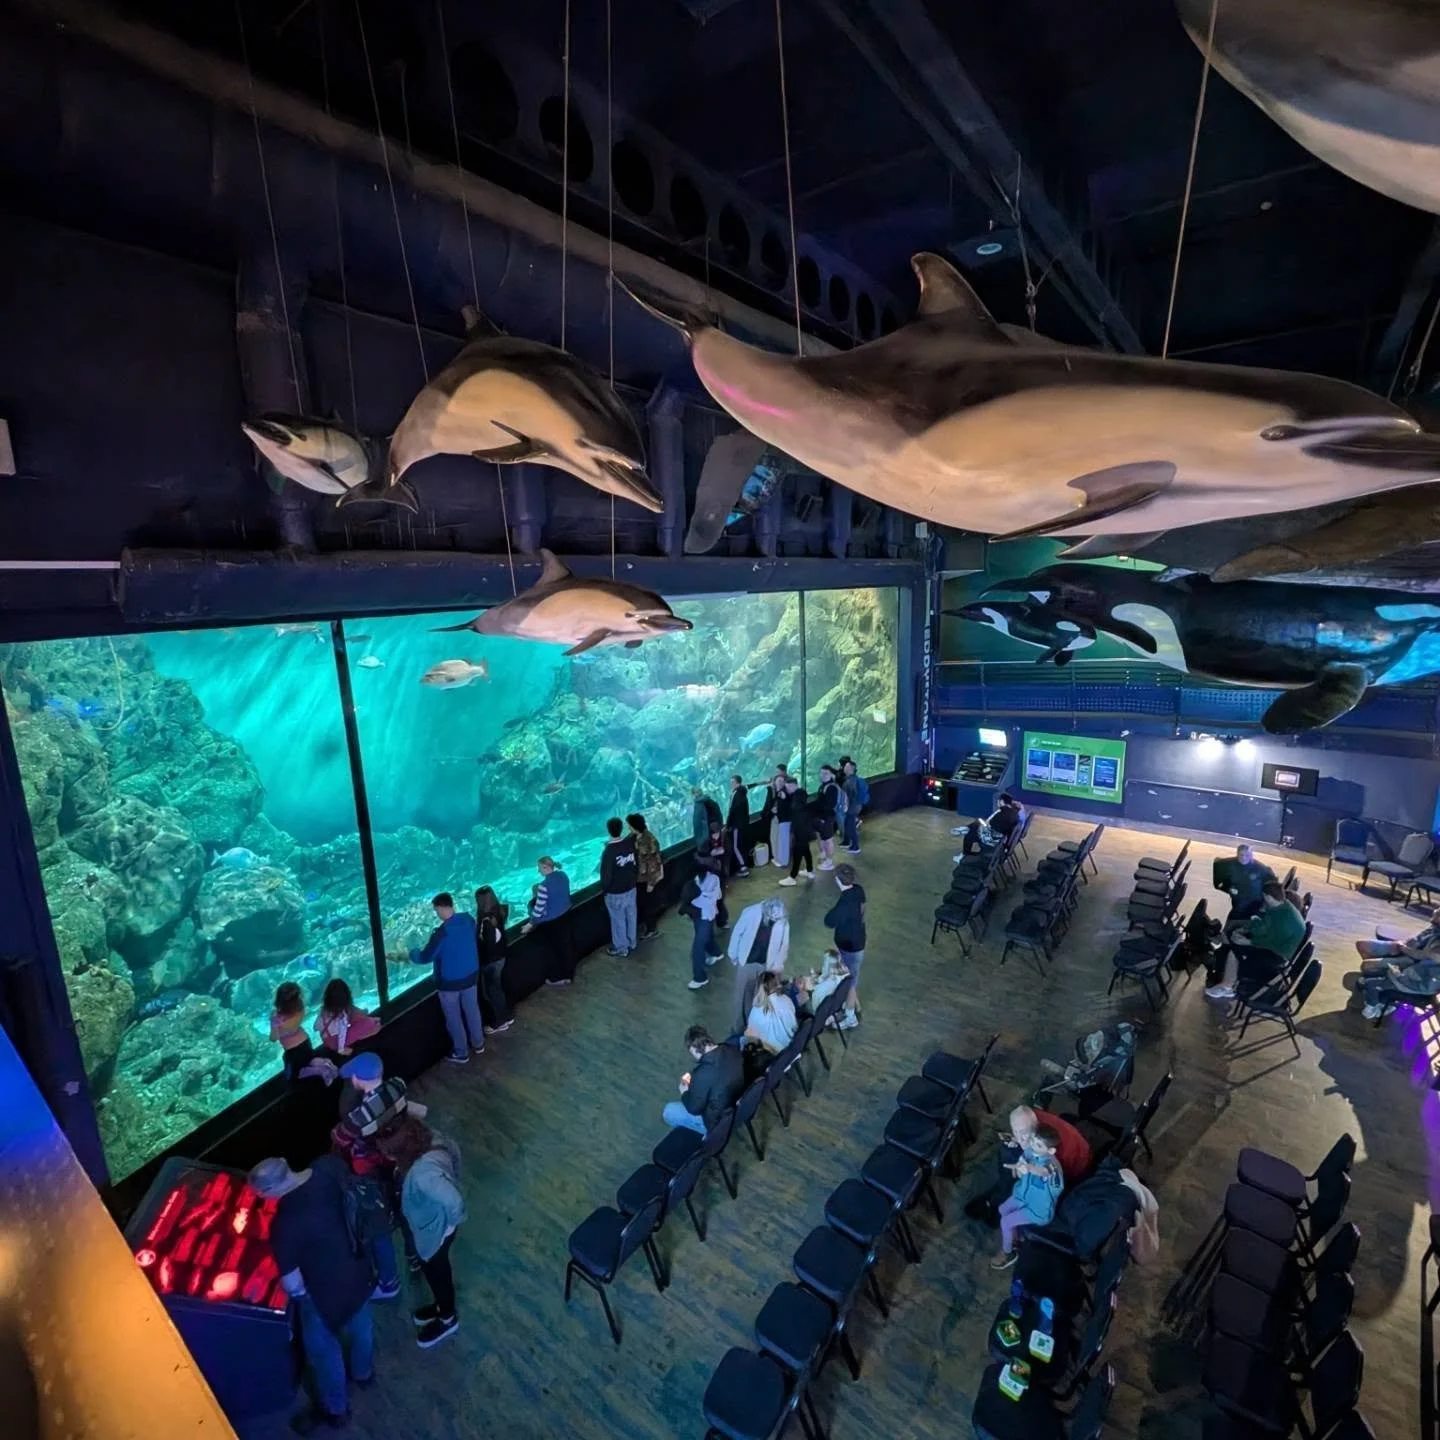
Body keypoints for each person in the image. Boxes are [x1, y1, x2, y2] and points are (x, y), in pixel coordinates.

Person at [249, 1155, 375, 1432]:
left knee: (324, 1353)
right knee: (362, 1327)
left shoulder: (284, 1225)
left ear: (269, 1191)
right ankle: (364, 1373)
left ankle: (335, 1409)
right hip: (360, 1271)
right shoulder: (326, 1168)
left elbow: (293, 1284)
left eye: (259, 1194)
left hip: (325, 1295)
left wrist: (301, 1298)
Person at [375, 1114, 466, 1349]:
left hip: (436, 1233)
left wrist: (449, 1225)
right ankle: (441, 1306)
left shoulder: (423, 1175)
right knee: (434, 1270)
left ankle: (448, 1318)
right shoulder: (431, 1139)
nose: (387, 1157)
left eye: (389, 1153)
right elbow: (454, 1153)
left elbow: (455, 1201)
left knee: (438, 1272)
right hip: (434, 1226)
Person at [966, 1104, 1091, 1225]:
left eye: (1023, 1132)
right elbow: (1024, 1140)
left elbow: (1049, 1171)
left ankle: (1001, 1199)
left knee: (1022, 1172)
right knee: (1008, 1152)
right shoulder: (1028, 1119)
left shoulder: (1052, 1147)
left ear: (1036, 1128)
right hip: (1052, 1149)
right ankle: (1000, 1193)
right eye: (1016, 1132)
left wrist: (1027, 1167)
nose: (1019, 1138)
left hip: (1073, 1166)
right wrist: (1016, 1140)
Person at [409, 893, 483, 1064]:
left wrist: (412, 953)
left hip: (449, 984)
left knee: (454, 1018)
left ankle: (461, 1053)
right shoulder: (468, 920)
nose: (437, 914)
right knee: (473, 1011)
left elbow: (425, 957)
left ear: (441, 908)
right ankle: (479, 1044)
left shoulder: (441, 934)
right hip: (471, 976)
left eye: (436, 911)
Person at [1205, 880, 1307, 1001]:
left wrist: (1247, 942)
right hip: (1275, 945)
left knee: (1236, 950)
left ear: (1268, 897)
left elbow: (1269, 942)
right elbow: (1265, 925)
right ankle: (1226, 978)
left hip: (1277, 955)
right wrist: (1245, 930)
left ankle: (1227, 986)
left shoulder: (1285, 919)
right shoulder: (1282, 906)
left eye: (1264, 897)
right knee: (1236, 940)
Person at [991, 1124, 1064, 1270]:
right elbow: (1020, 1170)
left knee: (1005, 1222)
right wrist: (1019, 1169)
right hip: (1022, 1196)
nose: (1033, 1146)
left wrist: (1029, 1168)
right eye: (1033, 1141)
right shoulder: (1030, 1151)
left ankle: (1008, 1252)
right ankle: (1015, 1239)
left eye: (1039, 1145)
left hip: (1037, 1210)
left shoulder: (1053, 1165)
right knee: (1002, 1209)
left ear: (1050, 1151)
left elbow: (1043, 1171)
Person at [663, 1025, 745, 1135]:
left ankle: (702, 1137)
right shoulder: (732, 1049)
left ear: (694, 1050)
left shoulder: (702, 1074)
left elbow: (694, 1108)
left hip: (717, 1123)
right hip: (735, 1108)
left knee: (669, 1111)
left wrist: (684, 1093)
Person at [728, 896, 791, 1032]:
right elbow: (737, 933)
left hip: (766, 965)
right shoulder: (750, 912)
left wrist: (777, 966)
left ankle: (752, 1027)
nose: (775, 921)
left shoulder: (782, 920)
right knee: (740, 996)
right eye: (772, 919)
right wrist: (733, 955)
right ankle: (737, 1029)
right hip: (747, 963)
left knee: (759, 998)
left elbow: (784, 945)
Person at [823, 863, 866, 1021]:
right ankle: (856, 1007)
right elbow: (863, 907)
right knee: (851, 975)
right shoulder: (858, 890)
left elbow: (829, 921)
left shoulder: (844, 903)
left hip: (849, 946)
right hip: (859, 940)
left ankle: (850, 1016)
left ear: (837, 880)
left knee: (849, 982)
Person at [523, 856, 573, 987]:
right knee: (565, 947)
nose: (538, 871)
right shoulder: (563, 875)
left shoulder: (544, 886)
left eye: (539, 868)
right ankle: (569, 974)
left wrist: (530, 924)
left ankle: (557, 978)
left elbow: (539, 910)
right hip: (566, 915)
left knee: (553, 951)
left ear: (545, 867)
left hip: (552, 923)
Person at [474, 886, 514, 1034]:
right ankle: (507, 1016)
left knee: (492, 992)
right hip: (501, 956)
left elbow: (488, 944)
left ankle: (499, 1022)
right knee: (498, 989)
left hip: (491, 962)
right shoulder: (500, 911)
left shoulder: (486, 921)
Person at [1359, 947, 1440, 1020]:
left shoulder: (1437, 977)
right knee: (1369, 977)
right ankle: (1383, 1002)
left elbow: (1417, 986)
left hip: (1406, 986)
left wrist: (1399, 975)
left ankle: (1371, 1008)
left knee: (1371, 984)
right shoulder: (1435, 962)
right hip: (1404, 976)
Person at [600, 816, 639, 957]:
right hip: (631, 888)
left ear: (608, 830)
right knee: (631, 916)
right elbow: (635, 865)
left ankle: (622, 948)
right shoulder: (629, 845)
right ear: (622, 829)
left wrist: (605, 890)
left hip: (615, 893)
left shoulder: (608, 852)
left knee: (618, 920)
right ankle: (632, 942)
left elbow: (606, 876)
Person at [1219, 843, 1278, 934]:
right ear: (1237, 854)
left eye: (1247, 855)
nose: (1244, 858)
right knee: (1231, 925)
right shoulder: (1232, 867)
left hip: (1255, 906)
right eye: (1241, 855)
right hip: (1238, 905)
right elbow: (1226, 883)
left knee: (1241, 926)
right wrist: (1230, 888)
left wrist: (1265, 903)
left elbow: (1273, 884)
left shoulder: (1260, 868)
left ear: (1251, 855)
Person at [271, 981, 324, 1081]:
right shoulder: (300, 1009)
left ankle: (316, 1072)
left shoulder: (276, 1017)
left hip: (291, 1050)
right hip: (305, 1042)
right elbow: (294, 1026)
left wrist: (274, 1023)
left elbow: (274, 1038)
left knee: (292, 1075)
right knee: (309, 1062)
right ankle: (319, 1070)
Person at [315, 979, 381, 1058]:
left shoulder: (323, 1010)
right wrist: (341, 1050)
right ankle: (371, 1021)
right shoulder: (341, 1016)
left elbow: (315, 1027)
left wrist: (331, 1028)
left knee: (355, 1015)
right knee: (371, 1025)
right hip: (336, 1043)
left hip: (326, 1040)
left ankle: (368, 1018)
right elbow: (342, 1034)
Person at [682, 867, 723, 990]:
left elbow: (715, 897)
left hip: (705, 915)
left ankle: (700, 978)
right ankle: (716, 953)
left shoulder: (712, 879)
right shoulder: (701, 877)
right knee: (707, 936)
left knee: (697, 948)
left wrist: (696, 896)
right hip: (700, 915)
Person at [628, 812, 665, 941]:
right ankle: (647, 926)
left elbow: (654, 862)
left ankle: (651, 930)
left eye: (630, 825)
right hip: (638, 878)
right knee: (643, 904)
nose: (628, 828)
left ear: (635, 826)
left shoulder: (649, 840)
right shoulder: (634, 837)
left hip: (647, 879)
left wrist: (651, 882)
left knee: (648, 905)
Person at [746, 970, 798, 1053]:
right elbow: (793, 1026)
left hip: (766, 1053)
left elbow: (751, 1037)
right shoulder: (786, 1000)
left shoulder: (754, 1010)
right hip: (787, 1050)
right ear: (776, 984)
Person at [779, 779, 814, 885]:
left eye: (788, 787)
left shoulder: (799, 794)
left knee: (797, 852)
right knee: (806, 849)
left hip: (801, 828)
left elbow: (795, 808)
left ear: (793, 785)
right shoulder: (798, 794)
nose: (787, 789)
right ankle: (810, 871)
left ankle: (792, 877)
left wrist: (786, 799)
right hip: (803, 827)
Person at [763, 765, 792, 869]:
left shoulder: (782, 792)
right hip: (783, 819)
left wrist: (774, 810)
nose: (778, 783)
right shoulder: (783, 790)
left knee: (780, 840)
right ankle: (781, 859)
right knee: (781, 839)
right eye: (777, 781)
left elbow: (782, 803)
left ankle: (781, 861)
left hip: (781, 819)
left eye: (780, 781)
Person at [815, 764, 843, 870]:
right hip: (822, 817)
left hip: (827, 817)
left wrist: (822, 816)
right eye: (821, 773)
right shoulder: (823, 786)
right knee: (822, 837)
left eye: (826, 773)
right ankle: (824, 854)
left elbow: (830, 805)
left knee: (828, 839)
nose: (823, 775)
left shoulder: (831, 788)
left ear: (831, 775)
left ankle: (829, 862)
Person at [725, 775, 751, 878]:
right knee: (742, 845)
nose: (731, 784)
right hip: (744, 824)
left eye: (732, 782)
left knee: (736, 847)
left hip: (737, 825)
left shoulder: (735, 794)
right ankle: (746, 864)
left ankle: (743, 868)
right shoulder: (743, 791)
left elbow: (731, 810)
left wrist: (727, 825)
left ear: (736, 782)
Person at [840, 758, 863, 855]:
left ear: (850, 769)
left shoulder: (848, 782)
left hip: (852, 807)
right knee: (847, 823)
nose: (844, 768)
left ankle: (855, 846)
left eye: (846, 766)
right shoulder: (855, 779)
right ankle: (846, 841)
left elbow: (847, 797)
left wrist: (844, 807)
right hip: (857, 806)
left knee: (851, 825)